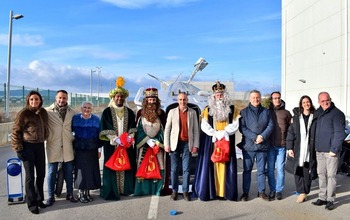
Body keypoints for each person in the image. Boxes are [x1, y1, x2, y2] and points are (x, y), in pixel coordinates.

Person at [194, 81, 240, 201]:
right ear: (213, 96)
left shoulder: (232, 109)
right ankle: (212, 192)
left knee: (226, 165)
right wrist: (215, 133)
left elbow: (235, 124)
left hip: (226, 140)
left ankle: (225, 192)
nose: (219, 96)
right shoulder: (207, 110)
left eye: (221, 94)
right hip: (212, 142)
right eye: (217, 95)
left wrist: (224, 133)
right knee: (212, 165)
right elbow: (204, 126)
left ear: (225, 95)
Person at [11, 91, 49, 214]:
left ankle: (39, 199)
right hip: (27, 147)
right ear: (28, 100)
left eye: (36, 99)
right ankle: (31, 203)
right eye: (32, 99)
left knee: (41, 173)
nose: (34, 102)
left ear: (40, 100)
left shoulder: (43, 112)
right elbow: (15, 132)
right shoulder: (24, 113)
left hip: (39, 146)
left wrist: (46, 135)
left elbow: (46, 126)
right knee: (30, 176)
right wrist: (18, 149)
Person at [99, 77, 137, 200]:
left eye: (121, 96)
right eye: (117, 96)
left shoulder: (130, 112)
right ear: (113, 97)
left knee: (128, 165)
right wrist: (116, 139)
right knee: (111, 167)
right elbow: (104, 127)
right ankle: (112, 191)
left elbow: (133, 127)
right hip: (112, 145)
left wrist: (128, 138)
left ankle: (126, 189)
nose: (119, 98)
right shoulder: (106, 112)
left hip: (126, 145)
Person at [312, 92, 346, 210]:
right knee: (321, 174)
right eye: (322, 101)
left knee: (331, 175)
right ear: (318, 102)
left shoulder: (337, 114)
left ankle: (330, 199)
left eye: (327, 100)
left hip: (331, 151)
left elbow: (340, 133)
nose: (325, 102)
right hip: (319, 150)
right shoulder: (318, 113)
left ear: (330, 99)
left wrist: (334, 149)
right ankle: (322, 197)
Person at [239, 90, 274, 201]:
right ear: (250, 99)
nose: (256, 99)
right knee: (247, 170)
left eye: (257, 97)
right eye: (253, 97)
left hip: (262, 146)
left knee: (261, 170)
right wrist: (255, 137)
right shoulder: (243, 112)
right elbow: (242, 128)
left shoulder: (266, 112)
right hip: (249, 146)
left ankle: (261, 192)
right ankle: (245, 193)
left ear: (260, 98)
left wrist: (262, 137)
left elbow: (271, 125)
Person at [164, 92, 199, 201]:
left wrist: (195, 145)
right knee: (174, 169)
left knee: (186, 169)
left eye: (184, 99)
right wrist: (167, 144)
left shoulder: (192, 113)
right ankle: (174, 191)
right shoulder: (172, 112)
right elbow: (167, 129)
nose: (182, 101)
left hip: (187, 144)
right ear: (177, 101)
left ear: (187, 100)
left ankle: (185, 191)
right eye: (180, 99)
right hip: (175, 144)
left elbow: (196, 131)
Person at [45, 90, 77, 206]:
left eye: (64, 98)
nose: (61, 100)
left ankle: (70, 194)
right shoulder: (47, 112)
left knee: (69, 172)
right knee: (51, 172)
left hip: (68, 145)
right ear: (56, 98)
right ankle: (50, 196)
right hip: (53, 145)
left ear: (67, 99)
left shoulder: (72, 112)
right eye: (59, 98)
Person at [134, 88, 168, 196]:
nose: (152, 102)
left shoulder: (162, 113)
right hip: (144, 144)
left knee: (160, 165)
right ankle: (143, 190)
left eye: (154, 99)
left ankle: (157, 189)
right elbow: (138, 129)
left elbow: (164, 129)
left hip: (157, 145)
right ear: (146, 100)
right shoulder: (140, 113)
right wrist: (147, 140)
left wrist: (157, 141)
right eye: (150, 99)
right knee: (142, 165)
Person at [286, 95, 317, 203]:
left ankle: (305, 192)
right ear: (301, 104)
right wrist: (289, 147)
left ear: (311, 103)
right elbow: (291, 133)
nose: (306, 104)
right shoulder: (296, 118)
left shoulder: (316, 117)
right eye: (303, 102)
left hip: (310, 150)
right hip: (298, 149)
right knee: (298, 171)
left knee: (307, 172)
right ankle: (301, 192)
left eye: (307, 102)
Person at [72, 101, 102, 203]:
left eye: (89, 108)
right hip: (79, 149)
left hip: (92, 149)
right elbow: (70, 133)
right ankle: (81, 193)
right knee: (81, 172)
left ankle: (87, 192)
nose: (86, 109)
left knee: (90, 172)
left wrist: (99, 150)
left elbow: (100, 136)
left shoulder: (97, 119)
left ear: (91, 109)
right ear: (81, 108)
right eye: (85, 107)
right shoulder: (75, 119)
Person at [266, 91, 292, 200]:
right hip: (270, 146)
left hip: (282, 146)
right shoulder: (267, 112)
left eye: (278, 98)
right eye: (275, 98)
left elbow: (291, 129)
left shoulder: (286, 113)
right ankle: (272, 189)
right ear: (271, 100)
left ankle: (279, 190)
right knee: (270, 169)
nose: (277, 100)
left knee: (280, 169)